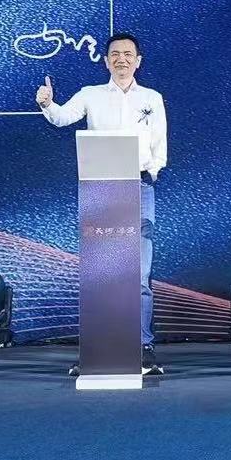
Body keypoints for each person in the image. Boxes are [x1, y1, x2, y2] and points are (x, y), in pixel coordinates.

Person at [37, 32, 168, 375]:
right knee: (101, 272)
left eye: (128, 54)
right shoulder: (90, 94)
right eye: (115, 54)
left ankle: (143, 346)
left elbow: (159, 144)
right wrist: (47, 104)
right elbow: (62, 117)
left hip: (138, 185)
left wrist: (150, 171)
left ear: (138, 61)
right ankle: (98, 348)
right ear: (106, 60)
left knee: (139, 274)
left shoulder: (152, 98)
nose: (121, 59)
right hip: (100, 188)